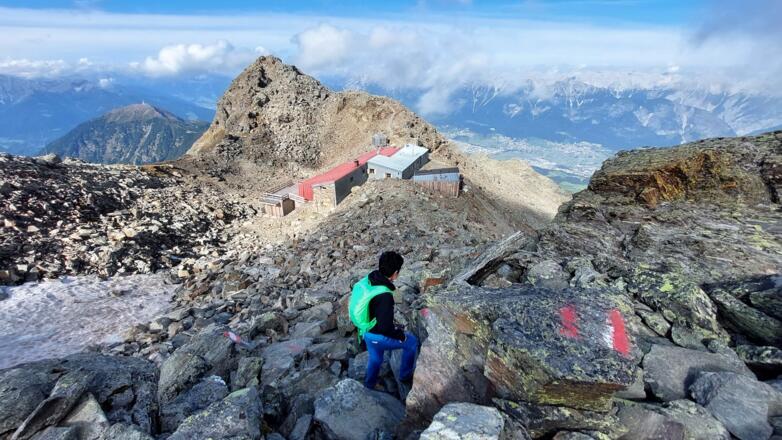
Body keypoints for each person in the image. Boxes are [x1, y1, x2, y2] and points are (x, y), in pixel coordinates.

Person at [349, 251, 418, 390]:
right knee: (411, 342)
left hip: (365, 331)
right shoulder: (384, 296)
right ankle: (405, 376)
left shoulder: (371, 278)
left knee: (376, 358)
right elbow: (385, 327)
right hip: (376, 334)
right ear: (395, 273)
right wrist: (401, 335)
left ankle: (369, 385)